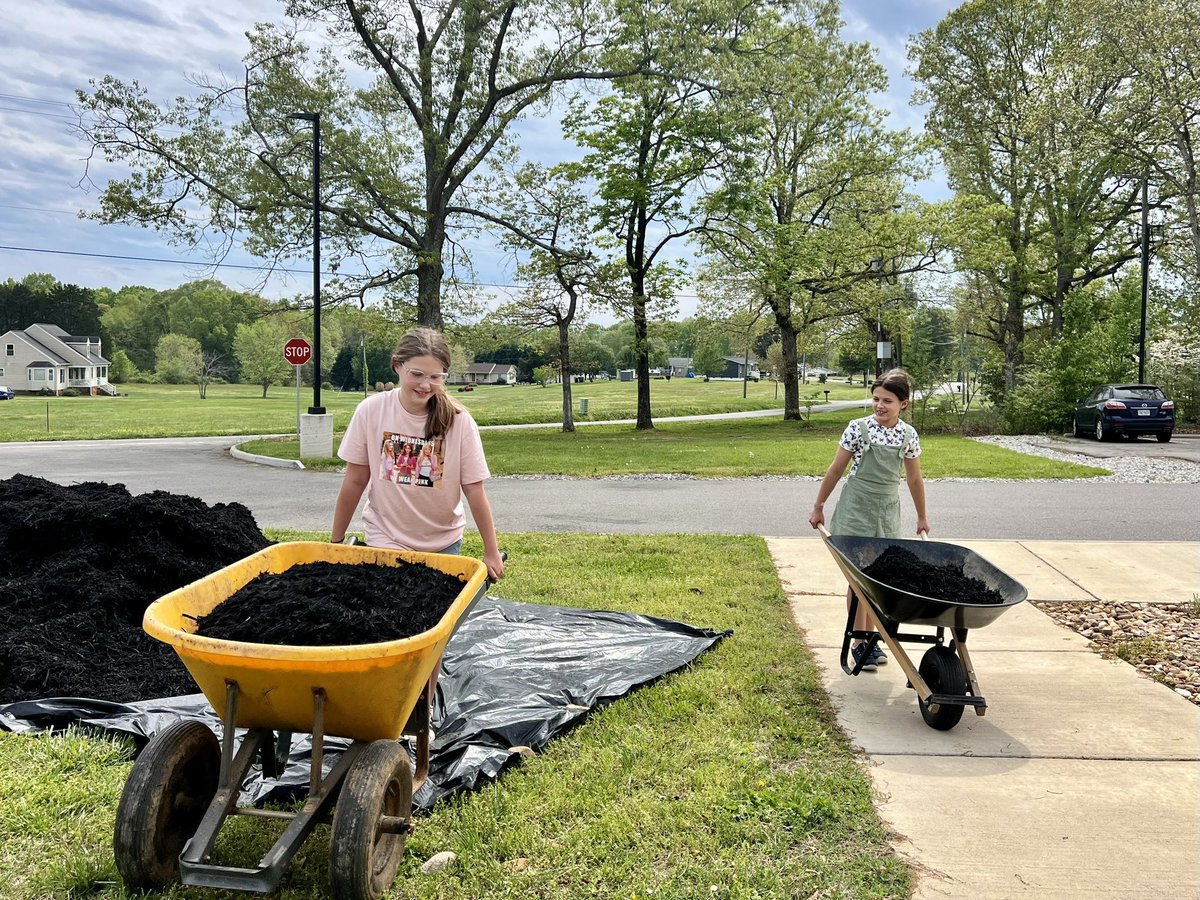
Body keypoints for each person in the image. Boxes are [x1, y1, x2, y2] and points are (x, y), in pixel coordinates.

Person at [331, 327, 505, 582]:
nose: (425, 385)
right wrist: (336, 541)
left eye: (436, 376)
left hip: (443, 543)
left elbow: (474, 489)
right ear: (397, 366)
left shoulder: (460, 422)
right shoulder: (371, 411)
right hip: (386, 537)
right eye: (417, 374)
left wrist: (491, 551)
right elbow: (355, 479)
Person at [808, 368, 929, 672]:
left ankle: (872, 639)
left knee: (879, 577)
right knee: (858, 578)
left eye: (887, 400)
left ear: (903, 403)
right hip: (856, 509)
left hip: (887, 510)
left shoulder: (908, 435)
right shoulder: (857, 428)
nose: (879, 405)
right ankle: (859, 643)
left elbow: (914, 479)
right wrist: (819, 505)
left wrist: (922, 517)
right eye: (876, 398)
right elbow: (836, 470)